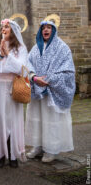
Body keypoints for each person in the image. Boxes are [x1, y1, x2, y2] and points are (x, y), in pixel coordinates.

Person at [25, 20, 75, 162]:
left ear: (54, 30)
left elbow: (68, 70)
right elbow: (28, 64)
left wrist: (49, 80)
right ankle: (37, 146)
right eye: (43, 28)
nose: (45, 30)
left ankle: (51, 149)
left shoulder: (62, 48)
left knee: (51, 120)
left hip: (52, 91)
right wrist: (34, 77)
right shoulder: (35, 48)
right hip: (37, 91)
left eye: (49, 28)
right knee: (37, 119)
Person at [0, 18, 28, 168]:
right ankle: (1, 154)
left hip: (13, 86)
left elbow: (22, 68)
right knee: (0, 119)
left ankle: (13, 155)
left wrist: (9, 55)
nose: (4, 29)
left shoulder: (20, 48)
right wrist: (1, 56)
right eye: (3, 27)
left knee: (13, 120)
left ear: (14, 30)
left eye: (7, 27)